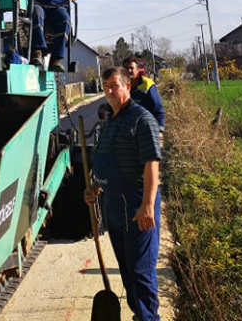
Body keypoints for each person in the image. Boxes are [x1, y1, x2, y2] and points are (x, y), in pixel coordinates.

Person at [85, 67, 163, 321]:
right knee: (128, 271)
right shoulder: (111, 123)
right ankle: (139, 315)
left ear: (127, 86)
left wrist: (148, 205)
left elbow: (152, 163)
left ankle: (148, 317)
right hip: (114, 205)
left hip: (136, 203)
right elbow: (107, 161)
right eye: (105, 86)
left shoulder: (142, 119)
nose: (109, 91)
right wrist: (94, 188)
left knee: (140, 271)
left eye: (114, 85)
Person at [123, 56, 166, 132]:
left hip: (147, 127)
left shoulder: (147, 84)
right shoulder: (122, 86)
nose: (128, 70)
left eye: (131, 68)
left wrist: (160, 128)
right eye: (126, 68)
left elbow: (158, 108)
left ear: (137, 69)